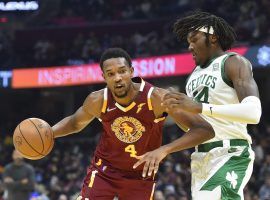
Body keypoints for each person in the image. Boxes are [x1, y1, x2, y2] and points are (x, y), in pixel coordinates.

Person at [52, 47, 215, 200]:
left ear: (131, 72)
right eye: (110, 74)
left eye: (122, 71)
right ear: (104, 77)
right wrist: (49, 134)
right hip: (105, 171)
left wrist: (164, 150)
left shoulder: (157, 98)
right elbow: (74, 123)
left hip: (141, 176)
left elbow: (204, 129)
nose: (117, 78)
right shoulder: (97, 100)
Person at [133, 11, 262, 200]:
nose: (189, 46)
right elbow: (194, 127)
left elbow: (254, 113)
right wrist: (175, 110)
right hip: (201, 158)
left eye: (194, 39)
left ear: (213, 38)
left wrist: (200, 107)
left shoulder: (233, 62)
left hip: (230, 152)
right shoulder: (193, 76)